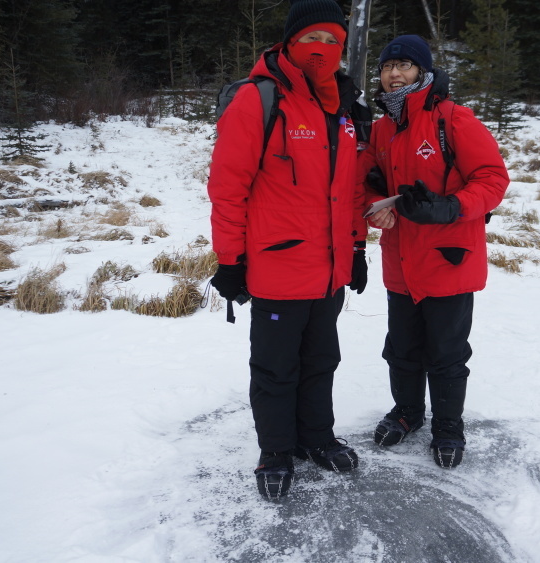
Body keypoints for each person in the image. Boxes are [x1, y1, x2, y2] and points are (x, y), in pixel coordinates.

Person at [206, 0, 370, 500]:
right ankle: (276, 450)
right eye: (312, 39)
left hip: (329, 272)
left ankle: (317, 438)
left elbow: (352, 191)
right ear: (289, 42)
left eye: (332, 41)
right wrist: (230, 261)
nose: (322, 50)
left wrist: (357, 247)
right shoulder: (259, 100)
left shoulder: (344, 109)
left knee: (322, 360)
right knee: (277, 368)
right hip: (278, 269)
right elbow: (228, 188)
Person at [359, 35, 509, 469]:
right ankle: (407, 413)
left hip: (449, 260)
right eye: (388, 66)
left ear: (422, 72)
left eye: (404, 65)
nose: (394, 73)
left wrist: (452, 206)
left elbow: (493, 179)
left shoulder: (454, 121)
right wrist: (375, 212)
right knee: (402, 348)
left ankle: (448, 426)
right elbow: (369, 182)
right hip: (401, 262)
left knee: (446, 353)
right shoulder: (383, 127)